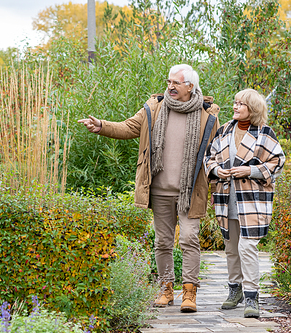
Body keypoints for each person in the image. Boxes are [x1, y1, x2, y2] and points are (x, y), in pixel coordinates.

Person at [78, 64, 220, 313]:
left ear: (190, 86)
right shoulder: (154, 108)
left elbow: (218, 151)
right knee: (162, 242)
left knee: (189, 238)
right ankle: (166, 288)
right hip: (160, 189)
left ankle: (189, 292)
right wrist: (101, 125)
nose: (170, 86)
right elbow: (128, 127)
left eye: (176, 83)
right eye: (169, 82)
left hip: (191, 190)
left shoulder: (208, 116)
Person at [204, 88, 285, 318]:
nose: (235, 106)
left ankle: (252, 296)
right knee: (231, 248)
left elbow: (278, 161)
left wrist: (250, 170)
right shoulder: (224, 131)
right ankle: (234, 290)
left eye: (241, 104)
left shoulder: (264, 133)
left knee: (247, 247)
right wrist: (217, 170)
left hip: (252, 199)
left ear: (253, 108)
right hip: (227, 196)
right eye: (235, 102)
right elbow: (208, 158)